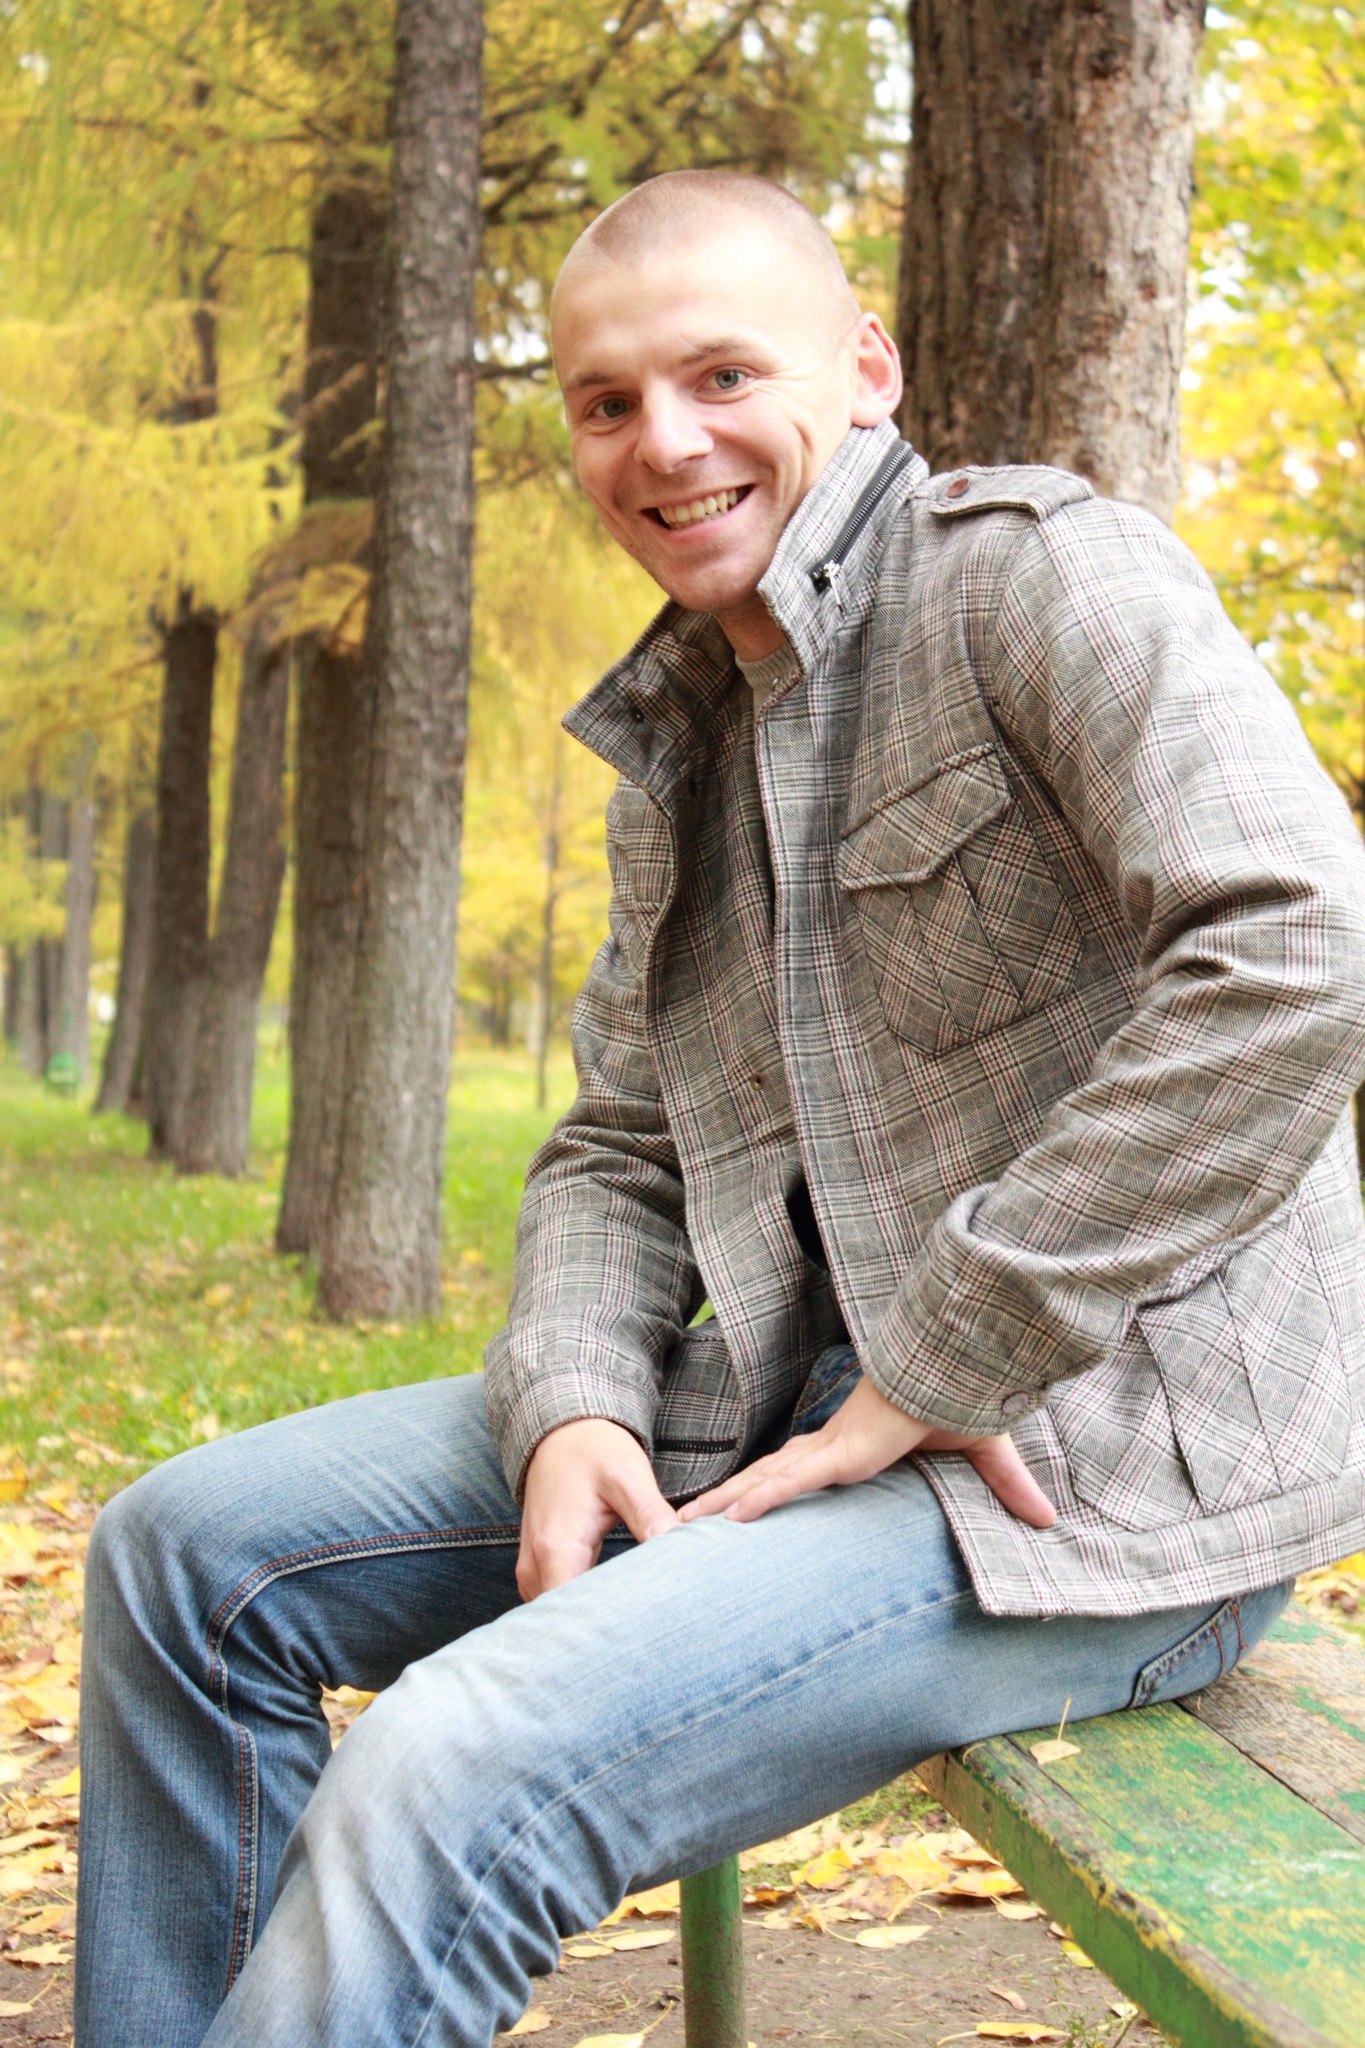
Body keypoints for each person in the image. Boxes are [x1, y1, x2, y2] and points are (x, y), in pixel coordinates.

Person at [76, 171, 1365, 2048]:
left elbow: (1300, 947)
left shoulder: (1038, 575)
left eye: (720, 375)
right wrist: (573, 1403)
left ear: (865, 369)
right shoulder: (681, 732)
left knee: (454, 1760)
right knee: (184, 1561)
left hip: (1100, 1479)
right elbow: (620, 1141)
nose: (663, 443)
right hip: (800, 1403)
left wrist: (952, 1348)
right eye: (606, 403)